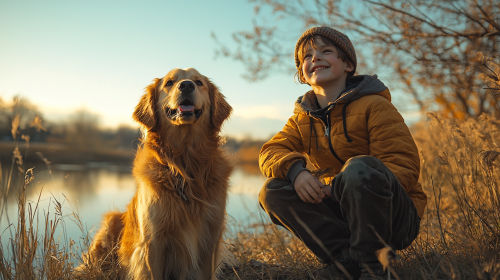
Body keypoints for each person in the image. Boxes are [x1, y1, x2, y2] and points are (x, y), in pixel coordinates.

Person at [258, 26, 427, 280]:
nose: (315, 58)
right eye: (307, 56)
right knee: (272, 190)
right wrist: (297, 173)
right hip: (342, 212)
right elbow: (270, 151)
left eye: (326, 51)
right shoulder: (302, 118)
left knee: (359, 167)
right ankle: (344, 260)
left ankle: (375, 266)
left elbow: (403, 167)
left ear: (348, 64)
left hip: (393, 215)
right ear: (302, 75)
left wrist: (337, 187)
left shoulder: (375, 105)